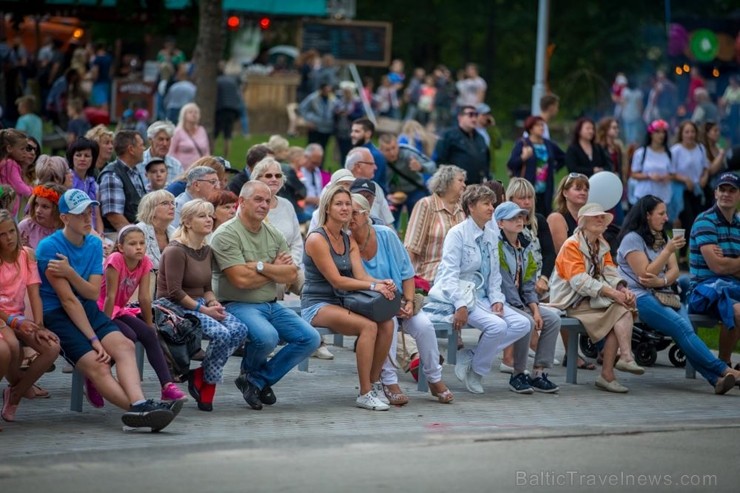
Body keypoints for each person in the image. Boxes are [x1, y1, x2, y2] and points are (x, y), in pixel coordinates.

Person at [38, 189, 179, 429]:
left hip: (88, 307)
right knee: (98, 363)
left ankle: (140, 404)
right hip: (57, 314)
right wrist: (94, 339)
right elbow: (68, 301)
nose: (87, 218)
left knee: (124, 345)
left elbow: (92, 293)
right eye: (80, 214)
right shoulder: (48, 248)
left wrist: (70, 272)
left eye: (89, 212)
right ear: (64, 218)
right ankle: (138, 410)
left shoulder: (93, 243)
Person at [210, 182, 320, 410]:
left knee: (310, 338)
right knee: (268, 337)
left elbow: (290, 274)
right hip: (237, 303)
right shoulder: (226, 234)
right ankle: (254, 380)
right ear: (241, 202)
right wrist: (273, 269)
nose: (264, 205)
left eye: (267, 201)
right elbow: (239, 280)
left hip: (271, 305)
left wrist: (259, 266)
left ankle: (255, 380)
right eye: (258, 200)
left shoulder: (274, 233)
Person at [617, 195, 740, 394]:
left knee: (685, 331)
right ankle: (725, 370)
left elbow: (674, 271)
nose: (667, 217)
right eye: (661, 213)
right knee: (682, 327)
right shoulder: (632, 239)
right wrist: (667, 252)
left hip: (666, 293)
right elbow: (644, 275)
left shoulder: (662, 237)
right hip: (639, 297)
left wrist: (663, 281)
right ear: (648, 215)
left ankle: (716, 380)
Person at [349, 193, 454, 404]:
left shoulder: (386, 235)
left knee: (424, 326)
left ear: (366, 214)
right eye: (345, 212)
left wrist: (407, 301)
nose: (349, 217)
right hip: (369, 305)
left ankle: (434, 378)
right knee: (388, 325)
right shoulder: (345, 241)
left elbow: (407, 273)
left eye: (354, 212)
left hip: (399, 300)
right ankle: (389, 381)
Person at [302, 184, 396, 411]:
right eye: (339, 204)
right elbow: (337, 281)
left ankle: (373, 384)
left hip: (343, 301)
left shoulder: (347, 239)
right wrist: (373, 285)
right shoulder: (317, 238)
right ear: (327, 208)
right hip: (318, 304)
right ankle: (364, 393)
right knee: (368, 327)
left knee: (387, 323)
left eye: (348, 204)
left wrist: (382, 283)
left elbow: (361, 275)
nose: (345, 208)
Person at [431, 185, 531, 394]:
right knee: (497, 326)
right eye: (486, 203)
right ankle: (478, 371)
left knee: (522, 324)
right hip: (460, 295)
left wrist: (496, 298)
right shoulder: (457, 234)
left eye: (492, 203)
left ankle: (472, 357)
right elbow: (449, 276)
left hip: (484, 297)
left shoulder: (491, 234)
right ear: (471, 206)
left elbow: (494, 274)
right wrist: (460, 304)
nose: (491, 208)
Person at [157, 199, 249, 411]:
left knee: (240, 329)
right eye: (202, 216)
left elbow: (207, 286)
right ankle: (209, 386)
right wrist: (204, 310)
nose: (209, 220)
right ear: (187, 222)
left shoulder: (206, 249)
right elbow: (175, 292)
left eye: (210, 215)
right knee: (221, 334)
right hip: (174, 306)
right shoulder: (175, 250)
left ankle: (202, 374)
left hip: (198, 303)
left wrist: (212, 302)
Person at [548, 202, 644, 393]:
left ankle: (614, 368)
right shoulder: (572, 245)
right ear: (583, 222)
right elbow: (579, 281)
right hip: (570, 301)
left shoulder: (601, 245)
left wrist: (623, 289)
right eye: (596, 217)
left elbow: (611, 272)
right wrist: (612, 293)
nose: (601, 219)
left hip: (589, 299)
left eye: (602, 217)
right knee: (620, 310)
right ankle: (619, 363)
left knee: (621, 307)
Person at [98, 225, 188, 402]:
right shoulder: (115, 259)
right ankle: (98, 378)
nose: (139, 247)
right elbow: (109, 296)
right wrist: (105, 325)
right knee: (129, 335)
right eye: (132, 244)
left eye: (142, 243)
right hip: (102, 310)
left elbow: (145, 298)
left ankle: (167, 386)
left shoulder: (145, 261)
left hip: (120, 310)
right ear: (121, 247)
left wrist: (149, 324)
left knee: (149, 334)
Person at [494, 202, 561, 392]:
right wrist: (530, 312)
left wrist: (535, 308)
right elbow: (506, 286)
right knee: (527, 322)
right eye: (513, 218)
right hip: (503, 302)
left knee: (553, 319)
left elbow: (530, 283)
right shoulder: (497, 248)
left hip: (523, 302)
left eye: (521, 217)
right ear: (500, 223)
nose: (519, 221)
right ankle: (518, 373)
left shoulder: (526, 245)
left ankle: (538, 373)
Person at [0, 210, 61, 422]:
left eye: (11, 232)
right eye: (2, 234)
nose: (8, 238)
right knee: (12, 348)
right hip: (3, 318)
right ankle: (20, 387)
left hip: (17, 316)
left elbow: (34, 294)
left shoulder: (26, 255)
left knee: (52, 346)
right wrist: (14, 321)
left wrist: (40, 325)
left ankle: (15, 393)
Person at [687, 172, 740, 367]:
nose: (726, 194)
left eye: (732, 190)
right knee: (737, 312)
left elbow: (722, 265)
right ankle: (723, 365)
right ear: (715, 193)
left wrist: (728, 263)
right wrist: (725, 264)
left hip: (732, 286)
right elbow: (717, 266)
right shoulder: (705, 221)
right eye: (722, 189)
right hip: (704, 290)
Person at [403, 165, 466, 284]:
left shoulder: (462, 208)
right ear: (446, 181)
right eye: (460, 181)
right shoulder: (426, 205)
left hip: (459, 276)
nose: (464, 185)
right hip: (430, 276)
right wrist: (406, 282)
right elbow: (411, 247)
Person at [507, 115, 566, 216]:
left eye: (543, 125)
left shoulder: (548, 144)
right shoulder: (522, 143)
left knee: (544, 213)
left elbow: (564, 157)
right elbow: (511, 164)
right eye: (538, 125)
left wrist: (554, 169)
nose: (542, 128)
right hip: (528, 187)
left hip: (546, 187)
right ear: (530, 128)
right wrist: (523, 157)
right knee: (527, 213)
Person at [378, 133, 435, 227]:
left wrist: (421, 167)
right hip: (392, 194)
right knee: (389, 222)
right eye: (387, 150)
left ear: (398, 145)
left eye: (394, 148)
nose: (392, 152)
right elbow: (376, 181)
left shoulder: (408, 153)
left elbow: (432, 166)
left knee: (418, 223)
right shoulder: (378, 159)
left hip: (414, 190)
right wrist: (386, 196)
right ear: (381, 151)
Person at [670, 121, 709, 254]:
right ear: (681, 134)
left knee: (699, 222)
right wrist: (685, 179)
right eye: (687, 132)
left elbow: (706, 167)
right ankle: (681, 255)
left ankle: (694, 254)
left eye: (692, 132)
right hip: (681, 191)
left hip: (697, 190)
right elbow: (671, 172)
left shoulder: (700, 148)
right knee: (688, 222)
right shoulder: (676, 150)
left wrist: (704, 177)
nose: (690, 135)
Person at [99, 130, 148, 232]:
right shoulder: (112, 176)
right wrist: (136, 237)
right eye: (141, 145)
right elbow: (114, 217)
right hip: (119, 237)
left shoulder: (134, 171)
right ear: (131, 149)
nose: (144, 149)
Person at [435, 105, 490, 185]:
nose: (474, 118)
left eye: (476, 115)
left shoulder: (480, 138)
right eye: (470, 115)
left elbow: (486, 161)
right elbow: (439, 160)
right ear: (460, 117)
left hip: (477, 186)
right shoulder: (449, 135)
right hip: (454, 185)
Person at [344, 147, 394, 226]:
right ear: (358, 167)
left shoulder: (375, 187)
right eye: (371, 164)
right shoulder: (336, 188)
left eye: (369, 197)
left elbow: (388, 223)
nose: (375, 167)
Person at [630, 119, 672, 209]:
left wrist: (666, 177)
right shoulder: (641, 153)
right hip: (644, 196)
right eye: (657, 132)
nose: (661, 135)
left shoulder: (668, 153)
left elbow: (672, 173)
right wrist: (649, 176)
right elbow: (633, 174)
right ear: (651, 134)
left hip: (663, 197)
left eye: (663, 132)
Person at [67, 138, 104, 236]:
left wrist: (101, 233)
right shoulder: (67, 180)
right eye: (78, 155)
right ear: (72, 157)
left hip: (92, 231)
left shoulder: (93, 183)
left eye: (87, 156)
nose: (82, 159)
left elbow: (97, 214)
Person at [136, 189, 176, 274]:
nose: (172, 207)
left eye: (172, 203)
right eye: (165, 203)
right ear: (151, 209)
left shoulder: (174, 231)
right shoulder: (139, 231)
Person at [18, 183, 65, 249]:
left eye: (45, 207)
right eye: (36, 204)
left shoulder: (66, 231)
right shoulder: (26, 226)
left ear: (57, 210)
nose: (38, 210)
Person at [136, 121, 184, 186]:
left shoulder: (176, 166)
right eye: (161, 139)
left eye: (168, 140)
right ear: (150, 140)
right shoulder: (137, 163)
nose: (165, 144)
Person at [298, 83, 336, 161]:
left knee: (323, 148)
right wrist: (308, 120)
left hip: (327, 128)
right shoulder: (313, 98)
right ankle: (307, 163)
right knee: (311, 147)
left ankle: (320, 166)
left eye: (329, 91)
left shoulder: (332, 99)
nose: (327, 92)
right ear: (321, 90)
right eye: (326, 90)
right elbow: (302, 108)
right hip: (315, 126)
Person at [0, 129, 34, 216]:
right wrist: (34, 192)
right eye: (22, 149)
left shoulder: (5, 162)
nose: (25, 152)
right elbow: (18, 185)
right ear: (9, 148)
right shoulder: (10, 164)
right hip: (9, 206)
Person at [350, 118, 388, 193]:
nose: (352, 134)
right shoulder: (354, 152)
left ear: (368, 134)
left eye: (357, 131)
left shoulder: (375, 155)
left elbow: (370, 184)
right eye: (352, 131)